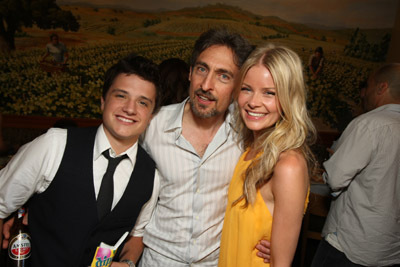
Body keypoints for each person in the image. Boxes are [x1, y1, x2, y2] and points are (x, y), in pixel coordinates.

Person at [117, 28, 272, 266]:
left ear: (238, 86)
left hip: (218, 261)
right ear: (190, 73)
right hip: (158, 259)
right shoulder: (153, 125)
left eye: (223, 76)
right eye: (202, 69)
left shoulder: (249, 134)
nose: (206, 85)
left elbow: (271, 195)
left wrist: (275, 238)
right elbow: (125, 197)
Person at [0, 54, 161, 267]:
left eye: (142, 102)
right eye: (121, 96)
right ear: (103, 101)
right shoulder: (54, 145)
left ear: (151, 115)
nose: (130, 109)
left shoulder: (150, 175)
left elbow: (135, 237)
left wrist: (128, 263)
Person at [218, 43, 316, 267]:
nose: (253, 102)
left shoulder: (288, 165)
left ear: (289, 99)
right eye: (246, 89)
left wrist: (282, 249)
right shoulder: (249, 148)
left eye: (269, 93)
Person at [311, 63, 400, 267]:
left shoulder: (369, 124)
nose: (364, 93)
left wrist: (335, 162)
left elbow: (335, 179)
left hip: (352, 243)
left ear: (381, 87)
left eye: (368, 85)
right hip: (391, 248)